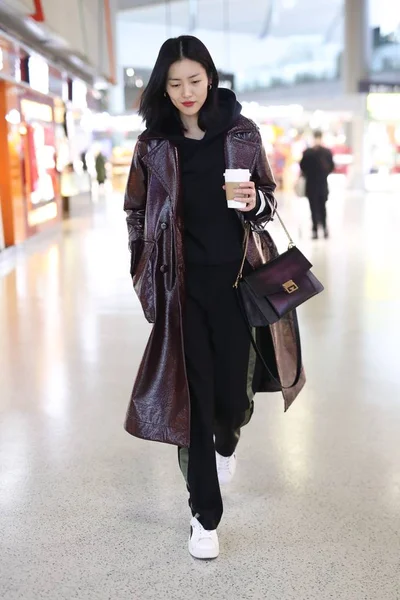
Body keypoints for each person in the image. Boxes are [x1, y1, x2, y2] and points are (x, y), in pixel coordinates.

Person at [124, 35, 305, 560]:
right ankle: (204, 515)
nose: (186, 92)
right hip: (182, 292)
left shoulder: (242, 135)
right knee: (195, 404)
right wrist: (142, 269)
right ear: (164, 85)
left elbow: (268, 199)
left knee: (231, 397)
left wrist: (254, 202)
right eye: (175, 83)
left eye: (195, 81)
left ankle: (228, 439)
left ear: (211, 77)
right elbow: (135, 211)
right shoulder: (153, 144)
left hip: (235, 287)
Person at [300, 130, 335, 239]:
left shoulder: (308, 152)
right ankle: (321, 229)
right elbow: (331, 167)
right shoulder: (325, 152)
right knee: (320, 207)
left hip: (313, 184)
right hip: (321, 184)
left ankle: (317, 229)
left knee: (315, 207)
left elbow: (302, 167)